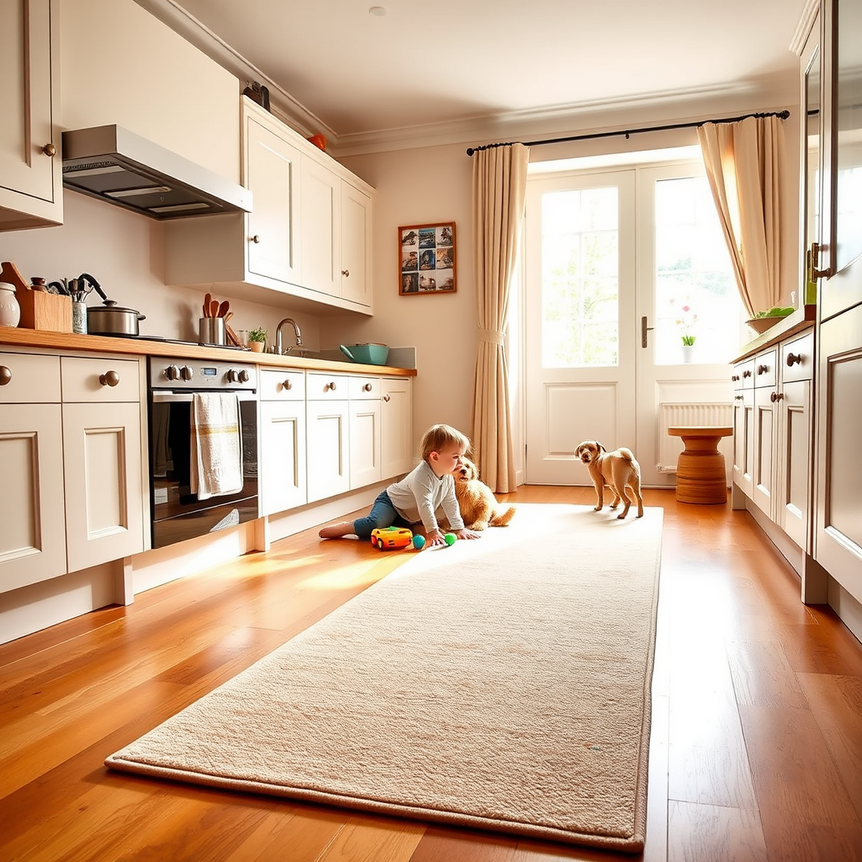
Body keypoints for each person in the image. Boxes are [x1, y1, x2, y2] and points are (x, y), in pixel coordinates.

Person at [318, 424, 481, 548]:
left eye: (461, 456)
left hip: (408, 515)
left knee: (409, 533)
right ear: (435, 457)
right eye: (456, 457)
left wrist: (459, 528)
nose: (461, 462)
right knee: (375, 525)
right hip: (391, 504)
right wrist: (432, 531)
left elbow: (450, 502)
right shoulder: (422, 475)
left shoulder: (447, 477)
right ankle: (347, 527)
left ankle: (398, 524)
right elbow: (425, 505)